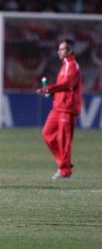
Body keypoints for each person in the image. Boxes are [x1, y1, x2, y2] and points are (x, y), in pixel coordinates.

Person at [37, 39, 82, 179]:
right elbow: (63, 86)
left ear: (69, 51)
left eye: (62, 49)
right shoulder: (65, 65)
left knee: (64, 140)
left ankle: (65, 170)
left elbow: (68, 84)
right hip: (58, 107)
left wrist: (49, 88)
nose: (59, 51)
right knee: (47, 134)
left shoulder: (72, 65)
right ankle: (65, 163)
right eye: (59, 49)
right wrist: (51, 92)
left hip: (67, 108)